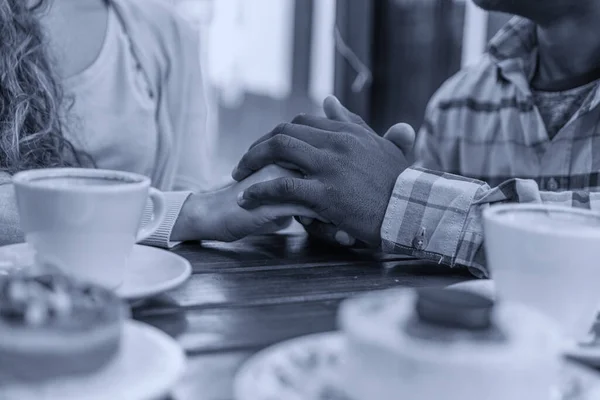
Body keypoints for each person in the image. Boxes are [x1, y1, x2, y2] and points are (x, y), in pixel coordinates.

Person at [233, 0, 600, 278]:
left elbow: (408, 208)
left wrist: (400, 202)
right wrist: (359, 223)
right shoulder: (459, 103)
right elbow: (426, 256)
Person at [0, 0, 320, 246]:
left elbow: (185, 195)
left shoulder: (169, 32)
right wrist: (190, 213)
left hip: (132, 295)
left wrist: (250, 196)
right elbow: (186, 211)